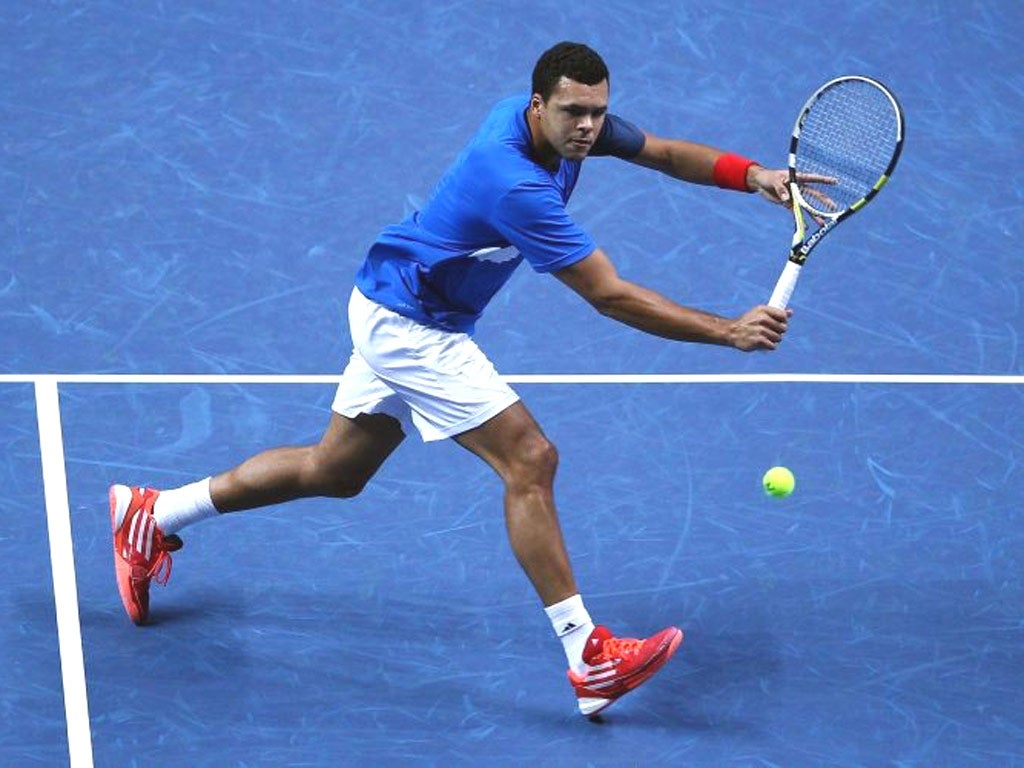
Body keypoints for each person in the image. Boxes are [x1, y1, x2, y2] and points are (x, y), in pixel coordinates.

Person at [110, 41, 802, 718]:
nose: (587, 126)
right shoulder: (516, 185)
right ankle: (588, 655)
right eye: (572, 113)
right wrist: (725, 330)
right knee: (529, 458)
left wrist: (754, 174)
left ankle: (156, 513)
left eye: (596, 111)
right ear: (538, 107)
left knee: (335, 470)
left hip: (390, 301)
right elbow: (609, 295)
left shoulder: (557, 129)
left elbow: (660, 150)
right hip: (413, 325)